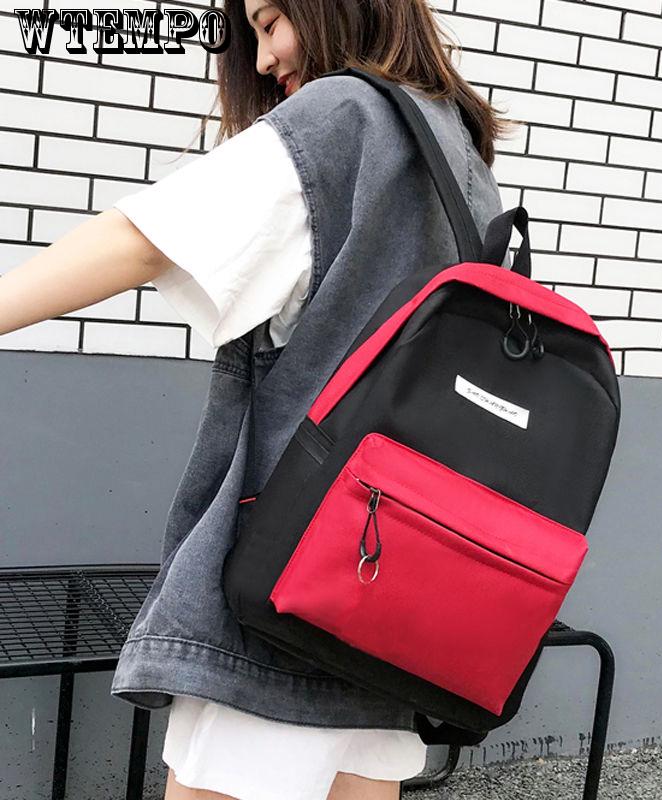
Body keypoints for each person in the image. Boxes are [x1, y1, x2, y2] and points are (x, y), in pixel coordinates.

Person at [0, 1, 520, 798]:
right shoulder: (458, 150)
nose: (266, 56)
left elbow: (145, 238)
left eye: (273, 21)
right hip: (389, 599)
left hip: (287, 591)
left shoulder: (343, 116)